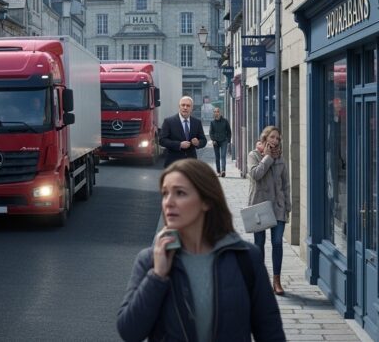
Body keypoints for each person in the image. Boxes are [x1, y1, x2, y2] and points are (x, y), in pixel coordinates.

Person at [117, 158, 285, 341]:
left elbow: (270, 331)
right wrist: (157, 276)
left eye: (180, 193)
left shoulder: (245, 258)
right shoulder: (150, 260)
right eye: (165, 194)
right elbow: (129, 332)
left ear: (206, 201)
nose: (168, 202)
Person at [248, 125, 291, 296]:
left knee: (277, 242)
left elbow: (286, 183)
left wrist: (288, 205)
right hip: (259, 205)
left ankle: (277, 280)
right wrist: (266, 158)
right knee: (259, 244)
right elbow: (255, 175)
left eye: (277, 138)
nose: (275, 141)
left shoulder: (281, 158)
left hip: (278, 206)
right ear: (265, 138)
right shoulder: (254, 155)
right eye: (272, 137)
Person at [159, 96, 207, 168]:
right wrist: (179, 144)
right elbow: (162, 140)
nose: (185, 107)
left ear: (192, 108)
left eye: (188, 106)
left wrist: (198, 143)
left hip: (191, 164)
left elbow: (204, 140)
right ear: (179, 107)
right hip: (173, 163)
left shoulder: (197, 122)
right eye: (183, 105)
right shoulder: (169, 121)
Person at [209, 107, 232, 177]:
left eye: (218, 111)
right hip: (216, 142)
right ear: (214, 113)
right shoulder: (212, 122)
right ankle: (218, 171)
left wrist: (228, 140)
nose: (216, 113)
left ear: (220, 112)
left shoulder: (225, 121)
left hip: (224, 141)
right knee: (217, 157)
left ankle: (223, 171)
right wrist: (213, 140)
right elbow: (211, 132)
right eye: (215, 112)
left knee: (223, 156)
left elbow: (229, 131)